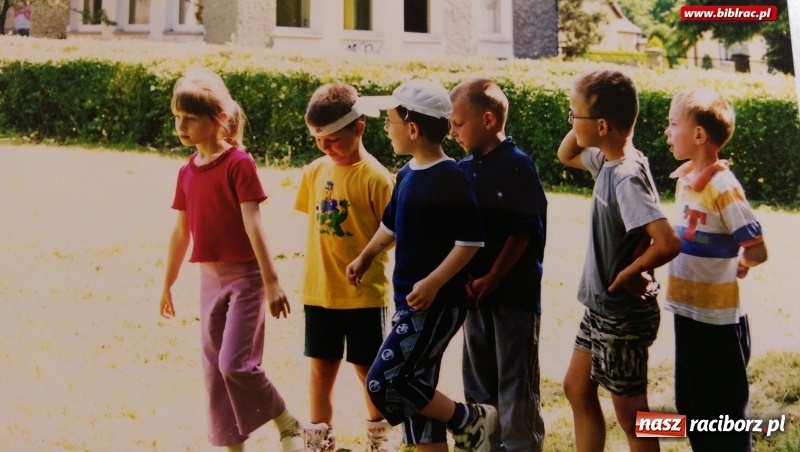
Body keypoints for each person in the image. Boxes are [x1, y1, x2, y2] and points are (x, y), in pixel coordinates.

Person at [346, 79, 498, 452]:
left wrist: (433, 282)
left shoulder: (450, 178)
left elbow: (471, 241)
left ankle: (469, 418)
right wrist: (366, 255)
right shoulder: (408, 173)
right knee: (418, 399)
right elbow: (391, 225)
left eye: (390, 121)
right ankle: (450, 432)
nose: (386, 128)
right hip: (410, 302)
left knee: (386, 381)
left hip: (436, 304)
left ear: (413, 129)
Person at [158, 68, 306, 452]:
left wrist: (272, 281)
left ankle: (287, 423)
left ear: (219, 119)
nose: (182, 125)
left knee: (235, 365)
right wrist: (167, 283)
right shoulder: (186, 172)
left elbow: (253, 222)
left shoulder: (239, 163)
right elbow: (181, 233)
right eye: (178, 116)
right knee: (213, 371)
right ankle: (233, 445)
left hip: (246, 279)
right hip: (210, 279)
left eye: (190, 118)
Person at [557, 69, 681, 452]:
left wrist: (631, 270)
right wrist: (581, 119)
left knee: (634, 417)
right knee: (576, 388)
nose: (571, 122)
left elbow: (667, 241)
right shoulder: (607, 160)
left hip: (622, 313)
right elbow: (567, 153)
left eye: (574, 115)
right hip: (600, 308)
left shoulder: (626, 176)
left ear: (603, 125)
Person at [664, 87, 767, 452]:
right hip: (687, 313)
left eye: (673, 124)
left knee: (723, 416)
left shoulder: (724, 186)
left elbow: (757, 247)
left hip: (718, 323)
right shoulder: (686, 181)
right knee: (692, 409)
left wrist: (742, 263)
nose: (667, 131)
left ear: (698, 135)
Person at [295, 82, 397, 452]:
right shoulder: (314, 171)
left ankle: (377, 436)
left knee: (367, 371)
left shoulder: (377, 178)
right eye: (318, 141)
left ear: (359, 127)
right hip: (319, 291)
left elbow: (393, 232)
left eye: (333, 140)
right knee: (321, 368)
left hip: (363, 296)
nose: (325, 148)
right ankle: (319, 439)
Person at [449, 76, 547, 452]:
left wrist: (493, 275)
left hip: (513, 297)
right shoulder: (463, 169)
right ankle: (484, 443)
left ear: (488, 120)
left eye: (459, 123)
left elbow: (522, 232)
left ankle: (520, 445)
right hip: (474, 296)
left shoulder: (517, 166)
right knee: (478, 380)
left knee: (515, 381)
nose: (453, 131)